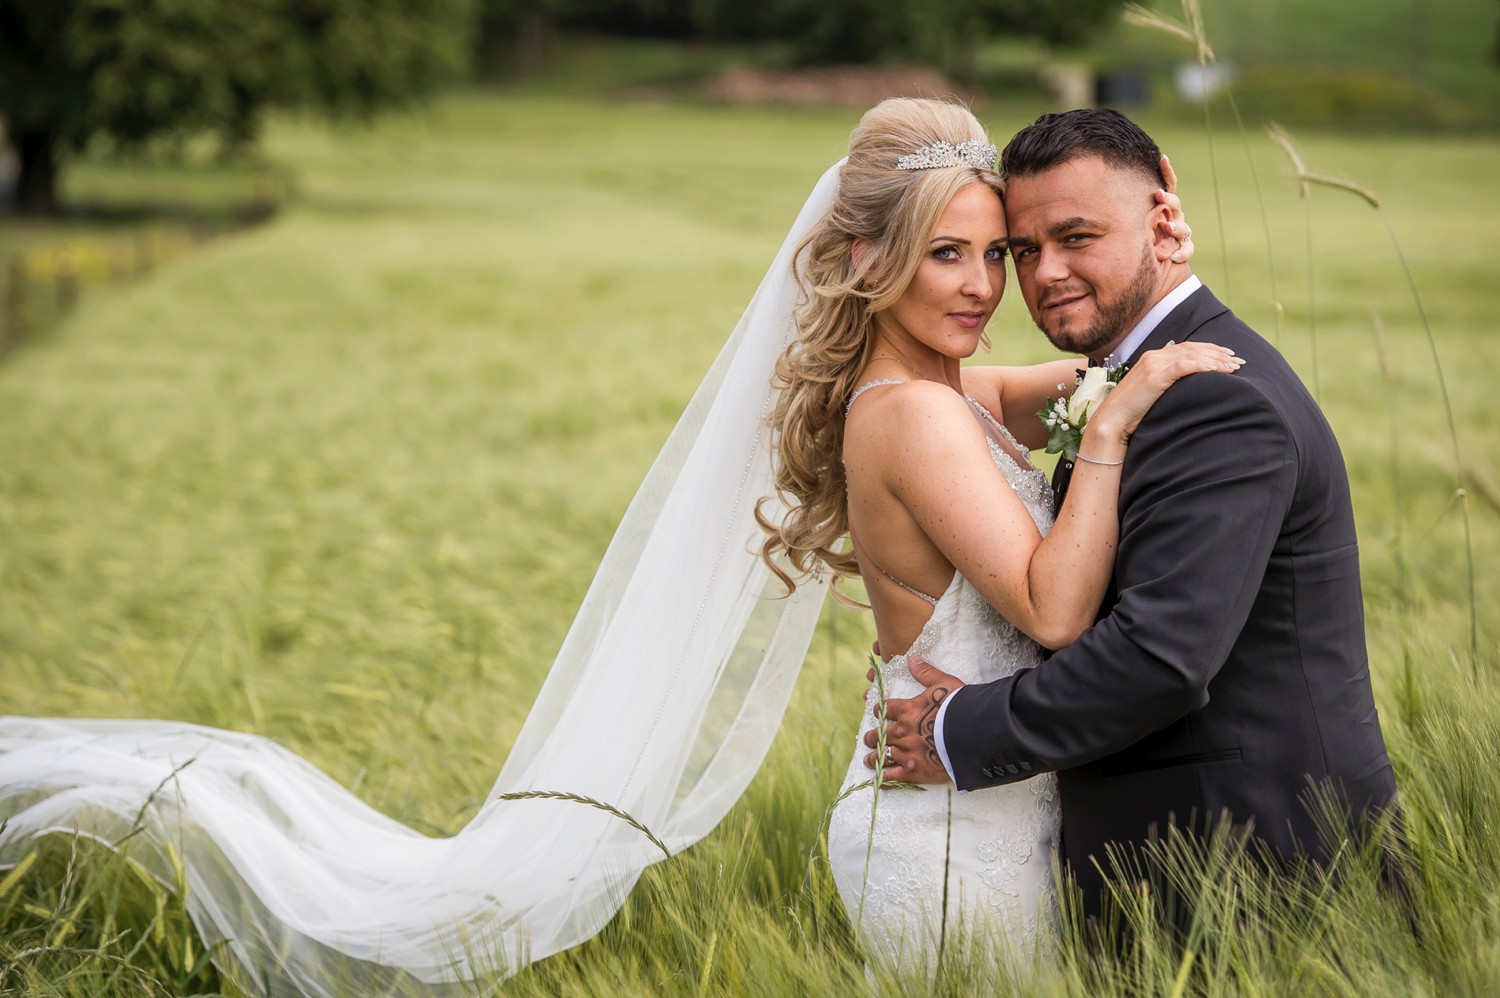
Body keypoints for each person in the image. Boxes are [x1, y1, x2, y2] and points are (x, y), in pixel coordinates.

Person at [868, 109, 1399, 921]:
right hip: (1156, 868)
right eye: (1025, 250)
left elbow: (1160, 658)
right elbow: (920, 401)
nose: (1043, 274)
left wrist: (957, 732)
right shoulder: (1123, 377)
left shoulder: (1213, 399)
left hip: (1251, 871)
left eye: (1077, 237)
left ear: (1162, 219)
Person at [756, 98, 1238, 971]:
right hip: (950, 834)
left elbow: (1096, 367)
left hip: (987, 796)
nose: (984, 287)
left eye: (997, 254)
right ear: (871, 258)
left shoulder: (950, 396)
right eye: (947, 254)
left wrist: (1156, 267)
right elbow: (1054, 612)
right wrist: (1105, 432)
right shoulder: (915, 417)